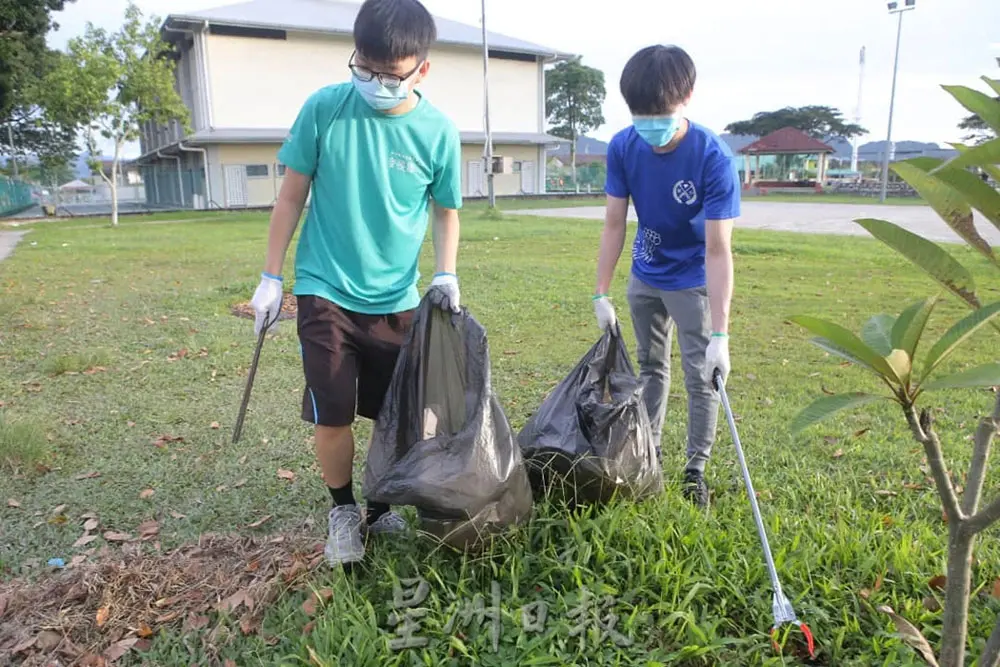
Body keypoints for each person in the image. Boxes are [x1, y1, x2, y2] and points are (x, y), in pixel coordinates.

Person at [249, 0, 463, 566]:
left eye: (390, 75)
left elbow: (445, 210)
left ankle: (380, 507)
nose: (374, 83)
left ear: (422, 68)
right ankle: (342, 509)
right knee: (334, 411)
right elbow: (292, 194)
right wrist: (272, 276)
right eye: (363, 68)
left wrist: (446, 271)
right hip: (326, 291)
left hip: (397, 298)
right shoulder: (325, 109)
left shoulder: (438, 132)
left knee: (397, 414)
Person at [593, 44, 739, 509]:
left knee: (702, 376)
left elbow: (718, 249)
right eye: (640, 114)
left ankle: (695, 469)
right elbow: (615, 223)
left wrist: (721, 332)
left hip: (693, 279)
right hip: (646, 274)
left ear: (688, 97)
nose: (650, 125)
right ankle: (649, 450)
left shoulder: (712, 157)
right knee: (650, 366)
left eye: (660, 113)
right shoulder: (623, 145)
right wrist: (600, 291)